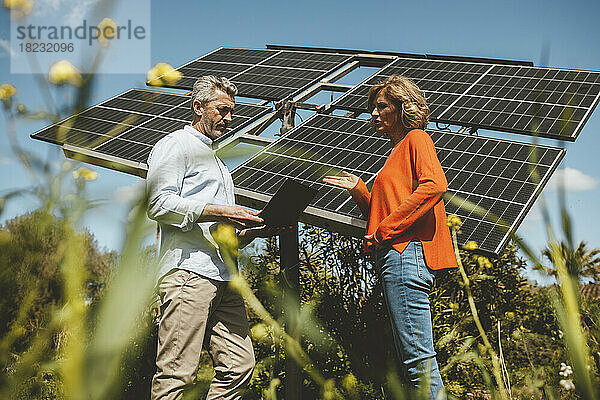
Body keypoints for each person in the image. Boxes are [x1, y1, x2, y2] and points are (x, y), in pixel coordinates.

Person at [323, 75, 457, 399]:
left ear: (401, 107)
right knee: (412, 364)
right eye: (373, 108)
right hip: (397, 254)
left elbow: (435, 185)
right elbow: (390, 211)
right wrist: (360, 192)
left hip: (404, 255)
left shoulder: (416, 139)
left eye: (380, 106)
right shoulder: (397, 151)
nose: (373, 113)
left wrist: (385, 230)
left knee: (418, 366)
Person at [147, 75, 275, 400]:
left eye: (232, 111)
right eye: (222, 109)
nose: (229, 118)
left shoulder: (219, 164)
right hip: (189, 275)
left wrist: (254, 229)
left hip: (225, 278)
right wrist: (220, 211)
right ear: (198, 107)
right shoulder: (175, 145)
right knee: (177, 374)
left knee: (240, 366)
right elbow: (158, 203)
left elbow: (222, 232)